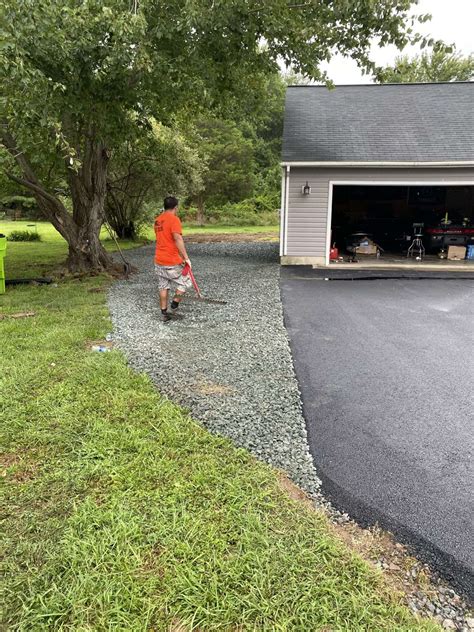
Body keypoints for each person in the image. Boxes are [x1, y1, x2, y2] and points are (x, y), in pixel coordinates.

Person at [154, 196, 192, 322]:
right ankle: (175, 303)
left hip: (159, 259)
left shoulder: (157, 220)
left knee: (163, 286)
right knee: (185, 282)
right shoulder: (174, 219)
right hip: (171, 260)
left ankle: (164, 312)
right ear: (176, 207)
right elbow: (177, 239)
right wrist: (186, 258)